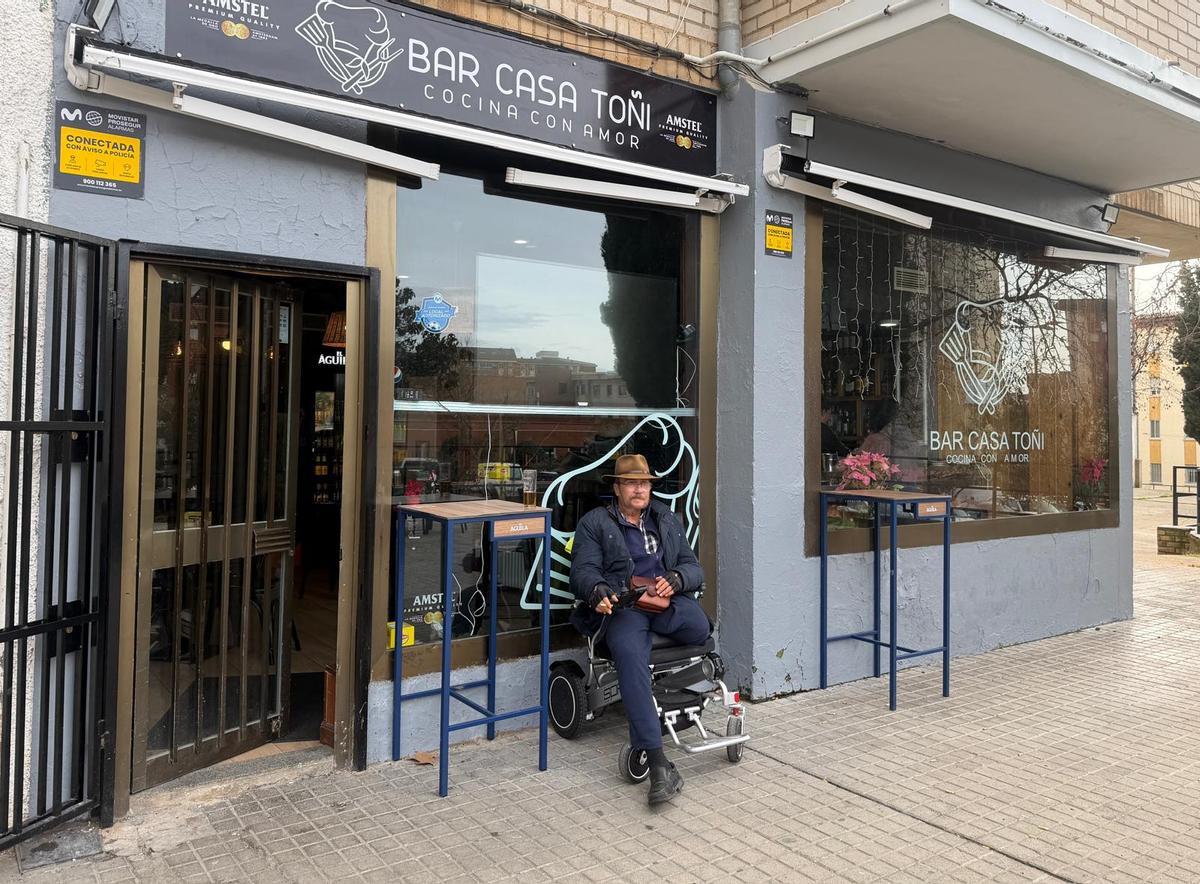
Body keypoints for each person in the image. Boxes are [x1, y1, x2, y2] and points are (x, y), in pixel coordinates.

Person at [569, 454, 708, 805]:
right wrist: (597, 590)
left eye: (644, 483)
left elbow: (693, 567)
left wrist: (677, 578)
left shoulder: (665, 517)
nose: (639, 489)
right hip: (626, 608)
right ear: (616, 488)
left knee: (701, 629)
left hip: (665, 602)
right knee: (631, 657)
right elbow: (583, 571)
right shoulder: (595, 523)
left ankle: (665, 693)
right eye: (631, 483)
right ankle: (659, 764)